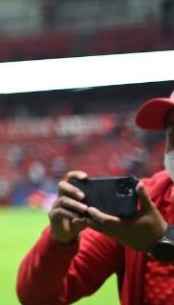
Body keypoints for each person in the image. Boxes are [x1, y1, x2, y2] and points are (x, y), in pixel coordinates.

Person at [16, 92, 174, 305]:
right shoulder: (144, 202)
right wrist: (59, 241)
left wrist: (163, 241)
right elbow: (37, 297)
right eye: (171, 132)